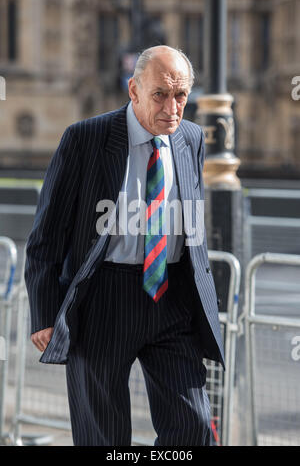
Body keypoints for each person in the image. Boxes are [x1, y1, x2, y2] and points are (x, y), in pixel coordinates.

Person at [25, 45, 225, 446]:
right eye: (160, 94)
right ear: (133, 90)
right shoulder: (86, 139)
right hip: (103, 299)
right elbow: (47, 234)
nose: (173, 106)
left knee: (194, 428)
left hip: (171, 298)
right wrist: (46, 310)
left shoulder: (190, 138)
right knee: (103, 435)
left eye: (181, 95)